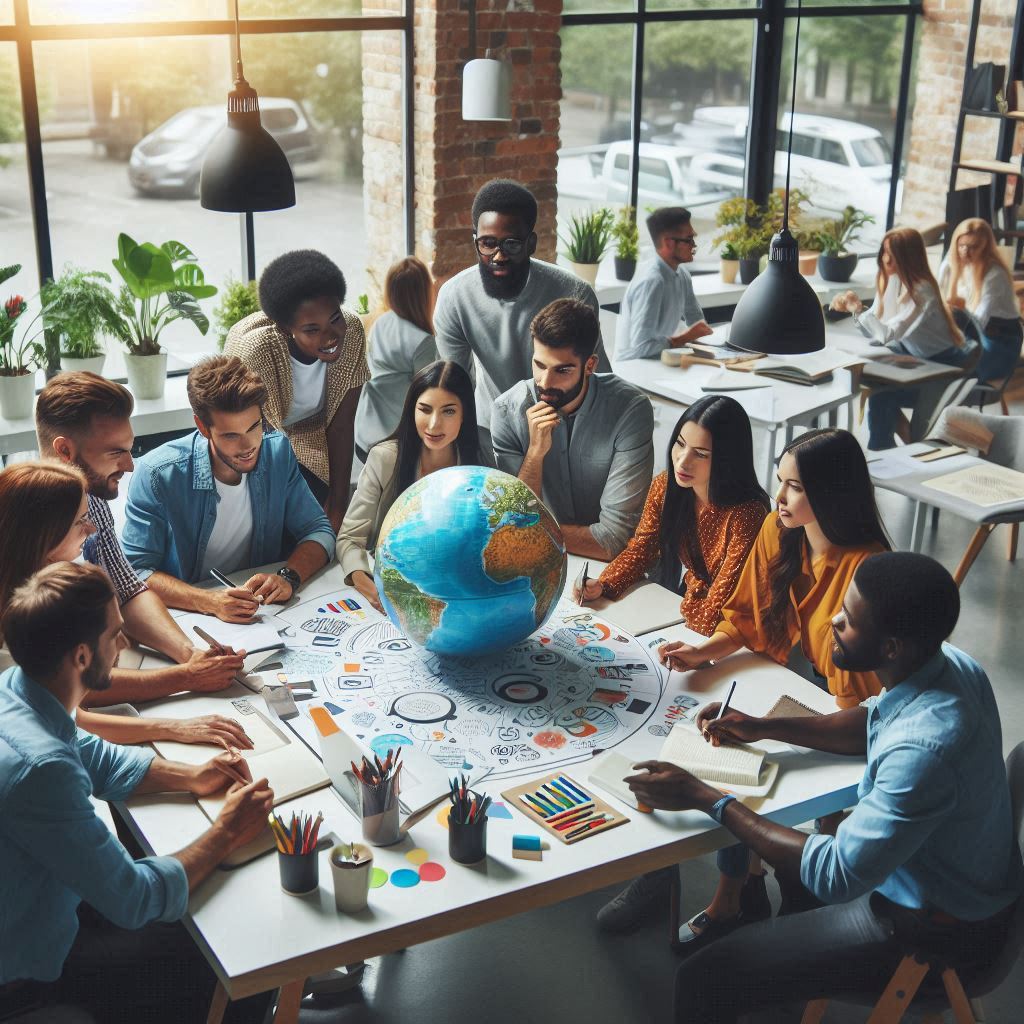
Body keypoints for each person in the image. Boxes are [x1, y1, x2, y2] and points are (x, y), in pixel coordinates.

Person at [626, 552, 1022, 1024]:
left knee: (702, 978)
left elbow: (835, 875)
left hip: (934, 929)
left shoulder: (926, 750)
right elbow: (875, 720)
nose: (834, 620)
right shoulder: (949, 663)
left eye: (850, 620)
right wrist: (765, 726)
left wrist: (705, 797)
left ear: (892, 647)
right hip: (963, 885)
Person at [599, 428, 890, 937]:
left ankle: (779, 895)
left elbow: (864, 711)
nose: (778, 497)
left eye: (795, 487)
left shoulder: (867, 569)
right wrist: (702, 652)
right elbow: (747, 618)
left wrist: (766, 726)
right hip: (795, 679)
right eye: (780, 480)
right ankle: (738, 892)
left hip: (858, 714)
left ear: (831, 493)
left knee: (758, 773)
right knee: (726, 758)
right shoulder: (780, 531)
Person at [0, 562, 275, 1023]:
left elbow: (93, 754)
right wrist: (226, 831)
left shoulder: (16, 687)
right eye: (115, 636)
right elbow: (135, 898)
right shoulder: (42, 770)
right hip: (29, 969)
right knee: (238, 955)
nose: (125, 645)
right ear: (83, 657)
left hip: (40, 904)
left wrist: (189, 775)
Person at [0, 461, 254, 753]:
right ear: (43, 535)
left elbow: (129, 592)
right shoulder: (23, 615)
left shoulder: (51, 568)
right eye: (80, 521)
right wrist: (180, 712)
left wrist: (190, 656)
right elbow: (73, 716)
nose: (92, 528)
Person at [36, 372, 244, 706]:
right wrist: (185, 677)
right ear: (64, 450)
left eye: (130, 449)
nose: (130, 466)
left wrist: (189, 654)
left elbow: (128, 590)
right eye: (115, 452)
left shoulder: (95, 499)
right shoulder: (26, 532)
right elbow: (65, 682)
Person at [122, 356, 335, 619]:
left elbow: (319, 530)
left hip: (260, 612)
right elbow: (135, 572)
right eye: (231, 435)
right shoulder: (157, 474)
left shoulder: (277, 452)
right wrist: (208, 601)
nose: (248, 446)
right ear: (202, 427)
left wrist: (289, 576)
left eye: (254, 427)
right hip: (187, 614)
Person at [433, 178, 611, 450]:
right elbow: (455, 388)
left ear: (531, 243)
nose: (498, 256)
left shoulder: (575, 293)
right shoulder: (454, 297)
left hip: (565, 433)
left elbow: (598, 382)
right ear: (475, 242)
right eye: (487, 243)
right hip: (489, 433)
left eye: (511, 244)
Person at [575, 395, 769, 637]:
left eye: (700, 454)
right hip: (689, 607)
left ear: (727, 459)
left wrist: (686, 637)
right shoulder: (666, 486)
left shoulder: (747, 513)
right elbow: (642, 549)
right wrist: (603, 585)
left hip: (734, 628)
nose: (683, 461)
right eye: (680, 443)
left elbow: (725, 596)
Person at [491, 298, 654, 561]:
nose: (545, 382)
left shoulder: (630, 410)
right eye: (539, 365)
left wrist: (534, 533)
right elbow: (512, 524)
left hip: (610, 569)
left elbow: (614, 539)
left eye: (562, 370)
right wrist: (534, 453)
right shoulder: (506, 411)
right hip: (538, 563)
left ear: (590, 365)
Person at [225, 249, 369, 529]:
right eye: (312, 330)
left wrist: (338, 503)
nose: (330, 336)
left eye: (334, 318)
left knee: (328, 523)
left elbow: (341, 425)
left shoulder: (350, 332)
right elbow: (259, 441)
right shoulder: (257, 352)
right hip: (254, 446)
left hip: (315, 444)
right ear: (285, 328)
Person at [338, 360, 485, 612]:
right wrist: (368, 586)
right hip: (398, 587)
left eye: (448, 411)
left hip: (460, 589)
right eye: (425, 409)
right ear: (411, 411)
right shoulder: (385, 458)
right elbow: (350, 539)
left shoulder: (482, 454)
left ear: (465, 414)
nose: (433, 425)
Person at [830, 227, 971, 450]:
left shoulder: (923, 291)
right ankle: (901, 450)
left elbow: (887, 334)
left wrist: (856, 309)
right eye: (884, 251)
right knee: (873, 386)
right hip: (919, 358)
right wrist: (855, 311)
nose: (885, 258)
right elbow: (875, 329)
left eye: (892, 253)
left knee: (881, 398)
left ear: (907, 256)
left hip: (946, 367)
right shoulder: (893, 281)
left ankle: (883, 457)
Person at [354, 256, 439, 460]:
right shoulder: (423, 341)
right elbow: (429, 395)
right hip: (396, 440)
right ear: (423, 293)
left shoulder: (379, 324)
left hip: (365, 433)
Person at [615, 206, 714, 361]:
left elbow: (697, 323)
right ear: (668, 243)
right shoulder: (652, 282)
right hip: (633, 371)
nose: (694, 245)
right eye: (688, 239)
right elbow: (640, 347)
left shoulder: (682, 275)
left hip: (660, 362)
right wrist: (683, 338)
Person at [939, 217, 1022, 386]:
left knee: (942, 369)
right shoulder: (959, 266)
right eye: (961, 246)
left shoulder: (995, 274)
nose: (965, 252)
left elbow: (979, 322)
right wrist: (946, 268)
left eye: (973, 247)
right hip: (973, 336)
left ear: (985, 247)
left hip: (997, 343)